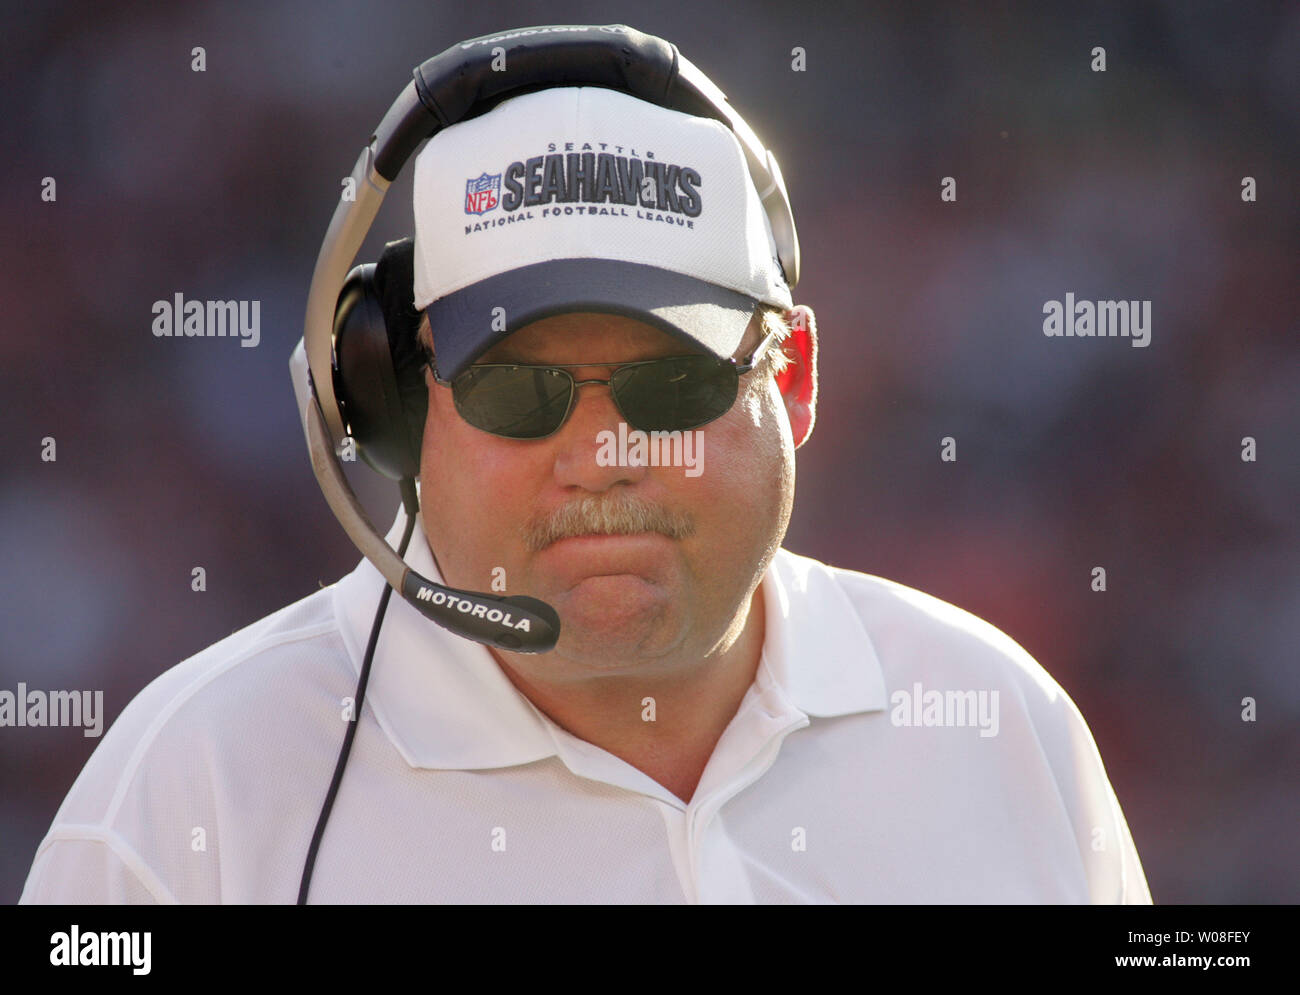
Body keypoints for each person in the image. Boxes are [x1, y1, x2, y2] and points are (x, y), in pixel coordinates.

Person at [21, 30, 1151, 905]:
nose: (602, 458)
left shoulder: (1006, 724)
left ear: (793, 377)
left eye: (672, 384)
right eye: (522, 389)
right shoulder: (186, 798)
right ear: (401, 402)